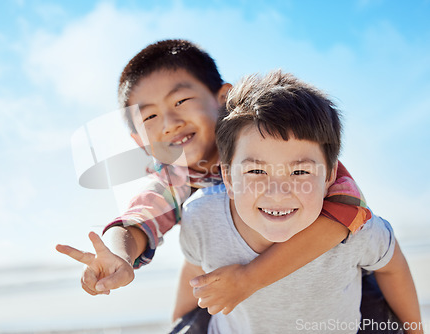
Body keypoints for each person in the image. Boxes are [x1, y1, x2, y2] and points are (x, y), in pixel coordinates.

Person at [56, 39, 375, 319]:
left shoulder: (271, 138)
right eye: (149, 117)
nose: (169, 123)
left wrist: (251, 278)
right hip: (239, 287)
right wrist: (119, 256)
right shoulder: (176, 176)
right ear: (140, 140)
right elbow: (139, 220)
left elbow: (348, 207)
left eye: (180, 101)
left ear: (222, 98)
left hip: (331, 281)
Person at [174, 70, 423, 333]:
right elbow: (194, 270)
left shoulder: (357, 231)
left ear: (329, 176)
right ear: (229, 178)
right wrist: (178, 324)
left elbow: (392, 266)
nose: (278, 192)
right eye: (257, 171)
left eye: (300, 172)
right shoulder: (201, 216)